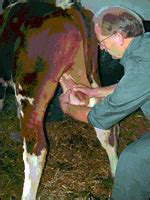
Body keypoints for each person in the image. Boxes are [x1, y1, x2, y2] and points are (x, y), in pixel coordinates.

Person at [59, 6, 150, 200]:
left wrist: (67, 107)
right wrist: (93, 91)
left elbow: (100, 117)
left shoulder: (142, 65)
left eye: (101, 42)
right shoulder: (146, 45)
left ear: (118, 36)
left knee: (134, 160)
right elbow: (131, 86)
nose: (101, 48)